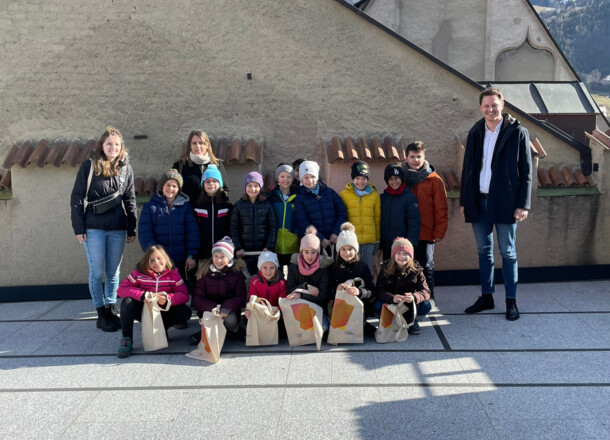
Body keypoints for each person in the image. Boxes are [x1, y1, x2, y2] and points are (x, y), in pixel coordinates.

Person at [460, 87, 532, 321]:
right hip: (479, 202)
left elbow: (527, 172)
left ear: (502, 105)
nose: (491, 109)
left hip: (506, 203)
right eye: (486, 106)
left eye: (495, 105)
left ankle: (511, 301)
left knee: (508, 254)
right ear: (480, 108)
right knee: (484, 252)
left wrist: (523, 205)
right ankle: (487, 297)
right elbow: (467, 170)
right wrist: (465, 201)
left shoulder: (518, 132)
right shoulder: (475, 132)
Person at [70, 126, 137, 332]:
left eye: (117, 145)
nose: (113, 148)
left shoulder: (126, 168)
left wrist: (131, 227)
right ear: (102, 145)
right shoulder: (89, 166)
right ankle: (101, 313)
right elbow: (77, 197)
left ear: (121, 147)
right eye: (109, 144)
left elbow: (130, 199)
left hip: (117, 227)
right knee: (97, 271)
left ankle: (111, 308)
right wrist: (78, 227)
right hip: (93, 228)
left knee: (113, 272)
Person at [116, 245, 192, 358]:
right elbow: (121, 289)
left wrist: (167, 299)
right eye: (151, 260)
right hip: (145, 310)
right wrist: (143, 295)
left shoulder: (173, 274)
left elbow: (184, 295)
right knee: (127, 303)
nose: (156, 262)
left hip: (164, 311)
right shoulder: (138, 273)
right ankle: (126, 339)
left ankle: (162, 329)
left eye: (159, 258)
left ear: (165, 259)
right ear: (147, 262)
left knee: (185, 311)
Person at [402, 142, 448, 299]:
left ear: (424, 157)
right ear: (406, 157)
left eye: (419, 157)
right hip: (405, 231)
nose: (415, 160)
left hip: (426, 231)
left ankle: (428, 299)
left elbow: (441, 208)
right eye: (412, 157)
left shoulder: (434, 180)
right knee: (406, 266)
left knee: (426, 266)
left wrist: (440, 231)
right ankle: (409, 298)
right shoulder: (399, 178)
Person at [138, 169, 199, 286]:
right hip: (159, 260)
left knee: (179, 288)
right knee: (161, 288)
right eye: (168, 185)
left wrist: (191, 255)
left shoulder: (185, 207)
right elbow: (145, 232)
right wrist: (153, 253)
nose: (171, 189)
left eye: (174, 186)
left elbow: (192, 232)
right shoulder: (150, 206)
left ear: (179, 189)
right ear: (162, 186)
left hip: (181, 259)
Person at [191, 237, 247, 343]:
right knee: (211, 319)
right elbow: (198, 297)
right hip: (209, 310)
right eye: (216, 256)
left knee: (230, 320)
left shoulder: (236, 273)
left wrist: (227, 308)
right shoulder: (204, 272)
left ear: (229, 258)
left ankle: (234, 329)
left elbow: (240, 296)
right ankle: (206, 332)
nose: (219, 260)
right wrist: (212, 307)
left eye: (223, 257)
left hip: (229, 311)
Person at [375, 237, 431, 335]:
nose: (402, 256)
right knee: (377, 305)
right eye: (398, 253)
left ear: (411, 255)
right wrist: (392, 298)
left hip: (409, 305)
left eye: (406, 254)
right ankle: (390, 320)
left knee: (426, 305)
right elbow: (379, 290)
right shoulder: (385, 268)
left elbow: (426, 291)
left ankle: (413, 321)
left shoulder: (417, 269)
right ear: (393, 255)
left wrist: (413, 297)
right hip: (391, 304)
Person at [328, 222, 376, 336]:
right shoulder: (333, 268)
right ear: (338, 250)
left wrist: (359, 291)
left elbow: (372, 290)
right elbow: (327, 290)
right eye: (343, 249)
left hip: (359, 307)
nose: (347, 252)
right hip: (339, 308)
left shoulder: (362, 267)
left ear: (356, 249)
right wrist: (337, 289)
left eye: (350, 249)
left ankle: (363, 324)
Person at [293, 161, 347, 256]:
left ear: (317, 177)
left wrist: (335, 232)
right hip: (314, 246)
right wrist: (320, 238)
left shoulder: (330, 193)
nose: (309, 181)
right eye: (306, 177)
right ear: (301, 179)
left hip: (335, 241)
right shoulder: (299, 198)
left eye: (312, 177)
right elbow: (302, 222)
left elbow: (342, 213)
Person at [230, 171, 277, 276]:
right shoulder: (239, 205)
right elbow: (233, 228)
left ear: (260, 187)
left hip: (263, 251)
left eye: (256, 186)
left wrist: (269, 246)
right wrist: (238, 247)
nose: (253, 189)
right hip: (244, 252)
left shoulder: (267, 205)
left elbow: (273, 227)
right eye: (249, 186)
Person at [286, 226, 333, 329]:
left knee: (322, 329)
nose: (310, 256)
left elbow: (322, 295)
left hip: (318, 308)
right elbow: (289, 290)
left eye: (313, 252)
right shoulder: (294, 266)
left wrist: (301, 294)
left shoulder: (323, 266)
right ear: (301, 251)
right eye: (306, 252)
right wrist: (306, 286)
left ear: (318, 252)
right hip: (298, 308)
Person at [339, 160, 381, 273]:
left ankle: (367, 290)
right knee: (351, 269)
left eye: (364, 178)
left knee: (367, 270)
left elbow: (377, 219)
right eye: (357, 178)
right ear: (353, 178)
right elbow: (342, 217)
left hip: (369, 241)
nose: (360, 182)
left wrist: (377, 240)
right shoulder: (344, 195)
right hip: (351, 240)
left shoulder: (375, 195)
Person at [172, 129, 228, 203]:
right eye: (194, 143)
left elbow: (224, 190)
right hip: (188, 212)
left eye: (201, 143)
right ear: (190, 146)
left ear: (207, 145)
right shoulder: (180, 166)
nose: (198, 146)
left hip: (210, 212)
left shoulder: (217, 165)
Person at [379, 163, 420, 260]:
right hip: (387, 245)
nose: (394, 181)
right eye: (390, 179)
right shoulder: (383, 198)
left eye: (397, 178)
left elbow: (414, 222)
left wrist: (410, 244)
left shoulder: (409, 197)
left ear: (402, 179)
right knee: (388, 271)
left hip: (403, 246)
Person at [193, 164, 232, 260]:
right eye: (207, 181)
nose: (211, 184)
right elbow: (193, 231)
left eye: (215, 181)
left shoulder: (227, 206)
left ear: (220, 184)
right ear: (203, 184)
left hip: (222, 255)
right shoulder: (196, 207)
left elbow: (231, 229)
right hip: (203, 254)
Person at [245, 252, 287, 337]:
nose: (268, 271)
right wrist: (248, 310)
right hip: (261, 314)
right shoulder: (255, 282)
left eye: (272, 268)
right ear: (260, 268)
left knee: (282, 331)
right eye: (265, 267)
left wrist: (278, 311)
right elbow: (252, 299)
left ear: (276, 268)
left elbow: (283, 300)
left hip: (276, 315)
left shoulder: (282, 282)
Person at [267, 163, 299, 269]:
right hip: (275, 243)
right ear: (277, 178)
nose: (285, 179)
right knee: (277, 275)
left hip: (293, 243)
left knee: (292, 275)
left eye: (289, 176)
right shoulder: (270, 197)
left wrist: (297, 232)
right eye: (282, 176)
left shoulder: (298, 197)